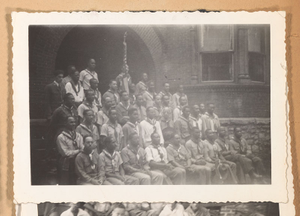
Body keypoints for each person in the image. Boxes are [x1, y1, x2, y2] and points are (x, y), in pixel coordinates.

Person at [56, 116, 84, 185]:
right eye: (71, 122)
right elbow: (65, 153)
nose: (73, 124)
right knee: (67, 183)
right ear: (65, 123)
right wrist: (78, 151)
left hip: (78, 161)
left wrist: (79, 150)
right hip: (66, 163)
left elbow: (82, 148)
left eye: (74, 122)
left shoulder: (78, 135)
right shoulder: (61, 137)